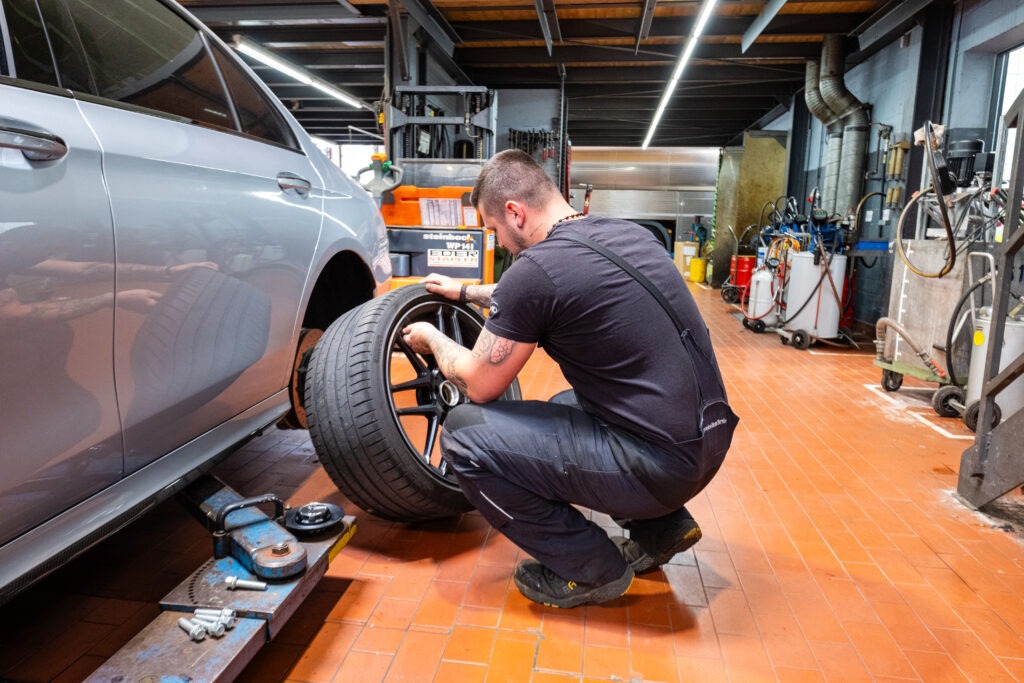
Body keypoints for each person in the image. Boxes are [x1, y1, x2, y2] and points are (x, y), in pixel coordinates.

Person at [401, 150, 737, 608]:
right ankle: (663, 530)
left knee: (464, 436)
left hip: (661, 466)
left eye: (495, 229)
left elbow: (481, 384)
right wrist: (464, 292)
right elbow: (542, 293)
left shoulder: (533, 271)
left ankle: (592, 569)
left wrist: (435, 340)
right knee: (565, 404)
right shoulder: (625, 235)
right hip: (705, 443)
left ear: (515, 212)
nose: (498, 242)